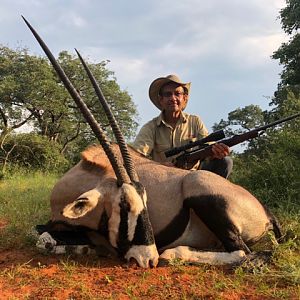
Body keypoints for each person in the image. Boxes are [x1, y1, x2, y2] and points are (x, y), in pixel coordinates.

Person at [132, 74, 233, 178]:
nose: (173, 98)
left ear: (184, 98)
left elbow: (208, 147)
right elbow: (134, 158)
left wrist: (217, 152)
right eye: (168, 94)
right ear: (161, 100)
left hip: (193, 177)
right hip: (163, 178)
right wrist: (159, 167)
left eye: (177, 93)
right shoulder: (150, 127)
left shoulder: (195, 121)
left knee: (225, 162)